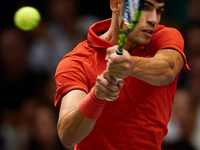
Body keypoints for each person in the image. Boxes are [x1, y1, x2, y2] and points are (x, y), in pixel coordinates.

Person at [54, 0, 190, 149]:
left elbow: (168, 69)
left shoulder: (164, 37)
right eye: (144, 7)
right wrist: (97, 96)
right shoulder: (77, 61)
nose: (153, 19)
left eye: (158, 11)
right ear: (116, 5)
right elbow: (68, 136)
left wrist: (130, 65)